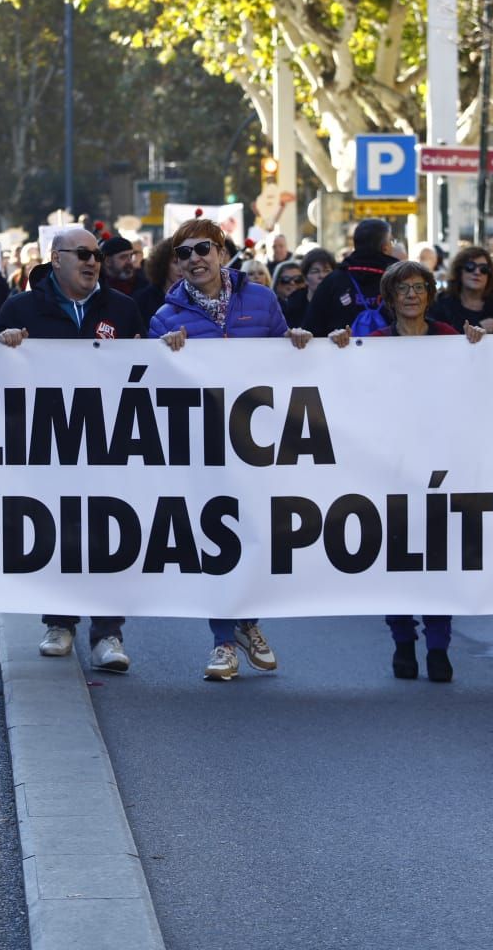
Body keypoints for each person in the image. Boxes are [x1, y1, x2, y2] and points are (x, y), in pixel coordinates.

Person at [153, 218, 313, 682]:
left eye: (203, 248)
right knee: (217, 542)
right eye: (183, 253)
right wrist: (162, 353)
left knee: (258, 538)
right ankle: (223, 640)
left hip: (258, 444)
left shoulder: (262, 300)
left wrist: (296, 343)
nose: (195, 259)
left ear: (222, 253)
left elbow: (283, 358)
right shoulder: (165, 318)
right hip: (204, 447)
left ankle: (248, 619)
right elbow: (151, 385)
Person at [0, 226, 147, 672]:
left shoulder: (122, 308)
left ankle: (109, 633)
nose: (92, 262)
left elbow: (147, 368)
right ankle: (59, 623)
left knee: (108, 535)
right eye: (82, 253)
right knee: (56, 531)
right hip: (48, 442)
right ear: (55, 258)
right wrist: (2, 345)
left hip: (109, 442)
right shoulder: (20, 308)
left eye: (97, 255)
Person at [329, 261, 484, 679]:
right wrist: (340, 349)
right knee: (397, 558)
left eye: (419, 287)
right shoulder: (375, 341)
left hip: (439, 466)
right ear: (390, 297)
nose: (412, 295)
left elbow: (476, 379)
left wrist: (478, 345)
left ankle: (438, 647)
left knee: (437, 560)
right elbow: (353, 387)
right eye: (403, 289)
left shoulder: (450, 338)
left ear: (430, 295)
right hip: (390, 466)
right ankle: (402, 642)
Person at [302, 219, 401, 335]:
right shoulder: (400, 281)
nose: (392, 246)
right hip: (392, 352)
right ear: (385, 247)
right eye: (391, 241)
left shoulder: (332, 281)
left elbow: (310, 331)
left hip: (340, 352)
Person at [428, 246, 493, 334]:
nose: (477, 272)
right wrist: (478, 327)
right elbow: (435, 338)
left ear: (489, 274)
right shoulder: (441, 304)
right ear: (459, 271)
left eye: (483, 268)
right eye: (470, 266)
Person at [100, 234, 147, 301]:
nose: (129, 262)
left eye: (130, 256)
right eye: (123, 257)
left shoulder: (144, 285)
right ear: (107, 261)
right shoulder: (96, 288)